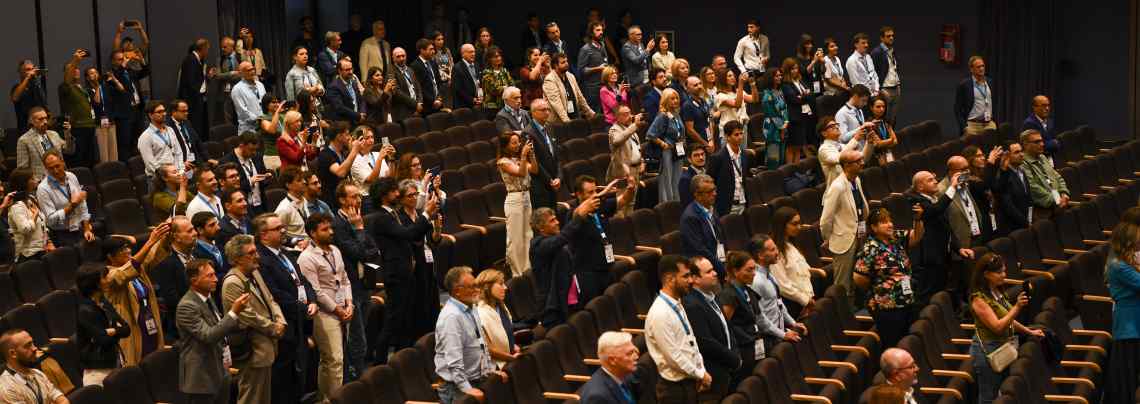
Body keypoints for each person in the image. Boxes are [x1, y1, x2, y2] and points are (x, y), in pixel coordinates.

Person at [251, 212, 316, 404]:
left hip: (299, 320)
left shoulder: (284, 253)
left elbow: (302, 280)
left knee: (299, 373)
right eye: (278, 228)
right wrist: (303, 308)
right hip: (284, 324)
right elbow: (275, 294)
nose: (283, 230)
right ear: (263, 235)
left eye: (282, 227)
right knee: (284, 377)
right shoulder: (261, 259)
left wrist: (312, 300)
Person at [372, 177, 439, 360]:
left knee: (405, 319)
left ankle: (403, 359)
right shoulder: (381, 218)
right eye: (394, 191)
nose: (397, 194)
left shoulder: (391, 214)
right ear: (384, 195)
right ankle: (380, 363)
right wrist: (426, 214)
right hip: (396, 275)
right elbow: (409, 234)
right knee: (393, 321)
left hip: (406, 272)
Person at [968, 252, 1044, 404]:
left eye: (1004, 271)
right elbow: (998, 326)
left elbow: (1009, 320)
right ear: (987, 274)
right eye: (999, 272)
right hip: (988, 352)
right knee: (989, 397)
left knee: (1004, 392)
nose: (1004, 275)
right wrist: (1017, 307)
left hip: (1002, 346)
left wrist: (1029, 331)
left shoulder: (997, 291)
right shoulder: (978, 299)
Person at [221, 235, 286, 404]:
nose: (257, 255)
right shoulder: (232, 282)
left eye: (256, 251)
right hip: (252, 349)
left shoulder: (254, 272)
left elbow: (270, 299)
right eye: (251, 253)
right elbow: (247, 316)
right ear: (237, 259)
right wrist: (273, 328)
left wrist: (281, 321)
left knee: (263, 397)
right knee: (251, 398)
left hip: (266, 345)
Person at [296, 213, 352, 401]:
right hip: (324, 313)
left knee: (333, 359)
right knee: (334, 359)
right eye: (325, 229)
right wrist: (338, 309)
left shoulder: (335, 250)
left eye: (331, 228)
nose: (330, 232)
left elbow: (344, 279)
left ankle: (327, 397)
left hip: (343, 308)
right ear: (312, 233)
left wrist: (349, 303)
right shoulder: (306, 258)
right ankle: (333, 400)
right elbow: (315, 291)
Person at [853, 207, 925, 349]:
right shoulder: (870, 249)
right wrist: (880, 287)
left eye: (890, 221)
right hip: (887, 307)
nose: (890, 224)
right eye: (884, 222)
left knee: (908, 343)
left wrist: (918, 220)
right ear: (873, 227)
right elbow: (859, 278)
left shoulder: (894, 238)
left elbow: (916, 237)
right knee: (893, 345)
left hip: (906, 300)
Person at [176, 259, 247, 404]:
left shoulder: (207, 298)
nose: (216, 279)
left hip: (220, 370)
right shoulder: (187, 306)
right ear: (194, 280)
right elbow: (208, 336)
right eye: (210, 276)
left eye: (214, 274)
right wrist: (233, 312)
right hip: (201, 378)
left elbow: (219, 326)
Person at [646, 255, 710, 403]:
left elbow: (690, 341)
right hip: (673, 390)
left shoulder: (677, 303)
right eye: (686, 276)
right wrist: (700, 374)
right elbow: (674, 357)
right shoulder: (660, 313)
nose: (691, 280)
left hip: (689, 381)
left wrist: (700, 369)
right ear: (670, 279)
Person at [435, 266, 504, 403]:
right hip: (456, 388)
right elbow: (454, 361)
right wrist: (466, 388)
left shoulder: (470, 307)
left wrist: (489, 370)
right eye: (472, 287)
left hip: (475, 379)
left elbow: (480, 344)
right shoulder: (451, 317)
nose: (477, 290)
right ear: (458, 291)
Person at [333, 181, 382, 372]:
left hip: (364, 282)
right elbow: (357, 253)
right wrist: (359, 230)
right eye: (353, 196)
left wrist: (360, 230)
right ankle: (358, 373)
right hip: (349, 285)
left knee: (364, 327)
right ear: (342, 200)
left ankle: (359, 367)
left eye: (359, 196)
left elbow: (374, 250)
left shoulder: (358, 218)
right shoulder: (338, 224)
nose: (358, 200)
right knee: (356, 333)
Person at [563, 175, 637, 301]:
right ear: (578, 194)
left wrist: (630, 189)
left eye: (596, 191)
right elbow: (578, 214)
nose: (595, 195)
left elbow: (624, 200)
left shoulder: (599, 206)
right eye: (590, 192)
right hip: (588, 273)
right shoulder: (573, 214)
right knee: (595, 306)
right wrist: (600, 195)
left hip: (607, 266)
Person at [102, 226, 168, 366]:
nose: (128, 251)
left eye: (127, 248)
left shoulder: (134, 267)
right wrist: (150, 242)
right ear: (110, 257)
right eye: (122, 250)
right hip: (132, 329)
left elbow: (150, 257)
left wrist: (165, 237)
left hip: (148, 321)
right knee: (138, 366)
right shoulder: (107, 276)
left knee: (154, 362)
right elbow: (124, 273)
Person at [680, 256, 738, 401]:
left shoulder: (713, 296)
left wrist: (735, 353)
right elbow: (706, 342)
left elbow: (727, 328)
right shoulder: (692, 305)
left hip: (726, 369)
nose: (715, 273)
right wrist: (733, 358)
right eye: (709, 271)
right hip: (712, 374)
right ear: (695, 278)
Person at [908, 170, 969, 305]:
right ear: (920, 187)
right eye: (930, 180)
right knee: (927, 297)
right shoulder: (916, 201)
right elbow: (936, 210)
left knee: (940, 294)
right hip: (929, 259)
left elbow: (946, 228)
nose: (935, 181)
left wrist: (959, 249)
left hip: (942, 256)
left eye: (934, 178)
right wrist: (952, 187)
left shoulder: (933, 199)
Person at [820, 150, 869, 307]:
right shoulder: (837, 186)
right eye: (858, 161)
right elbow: (826, 219)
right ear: (847, 165)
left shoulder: (856, 180)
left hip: (859, 236)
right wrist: (829, 238)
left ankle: (852, 312)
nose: (862, 163)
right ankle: (842, 317)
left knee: (856, 280)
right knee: (843, 285)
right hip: (844, 241)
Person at [748, 235, 808, 348]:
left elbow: (778, 304)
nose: (777, 252)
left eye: (776, 248)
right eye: (772, 250)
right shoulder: (756, 281)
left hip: (778, 334)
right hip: (769, 339)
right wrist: (783, 334)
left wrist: (793, 322)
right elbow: (760, 319)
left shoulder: (769, 274)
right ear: (760, 255)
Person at [75, 264, 130, 386]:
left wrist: (112, 331)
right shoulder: (86, 310)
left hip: (113, 362)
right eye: (104, 277)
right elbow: (103, 339)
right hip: (97, 372)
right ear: (95, 283)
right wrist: (115, 331)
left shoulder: (104, 303)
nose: (108, 280)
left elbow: (127, 329)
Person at [1104, 216, 1140, 403]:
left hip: (1134, 323)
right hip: (1129, 327)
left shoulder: (1126, 262)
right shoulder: (1118, 266)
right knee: (1129, 378)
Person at [150, 216, 201, 339]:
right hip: (186, 328)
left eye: (193, 229)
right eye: (189, 231)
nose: (195, 233)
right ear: (176, 237)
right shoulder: (166, 265)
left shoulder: (198, 254)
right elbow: (173, 301)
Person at [498, 132, 537, 277]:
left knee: (528, 234)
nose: (518, 145)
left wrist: (531, 155)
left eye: (518, 142)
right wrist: (523, 156)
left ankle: (528, 269)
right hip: (514, 199)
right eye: (513, 143)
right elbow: (520, 174)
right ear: (505, 146)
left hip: (526, 196)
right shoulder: (503, 162)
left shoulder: (518, 158)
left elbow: (534, 170)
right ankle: (517, 273)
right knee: (516, 238)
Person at [529, 207, 577, 326]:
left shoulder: (553, 240)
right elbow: (561, 239)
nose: (557, 222)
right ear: (541, 228)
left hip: (567, 300)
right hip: (552, 307)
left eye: (556, 219)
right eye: (552, 221)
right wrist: (578, 217)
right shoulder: (538, 245)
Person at [37, 151, 94, 247]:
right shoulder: (43, 189)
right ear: (46, 168)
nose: (55, 171)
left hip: (79, 228)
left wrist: (86, 228)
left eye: (57, 166)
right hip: (62, 235)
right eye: (51, 168)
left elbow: (82, 204)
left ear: (62, 162)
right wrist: (72, 205)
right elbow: (51, 220)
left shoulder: (71, 176)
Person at [768, 207, 816, 318]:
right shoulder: (776, 251)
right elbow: (782, 285)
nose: (799, 227)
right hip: (792, 306)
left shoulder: (791, 244)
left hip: (805, 301)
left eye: (799, 223)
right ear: (782, 225)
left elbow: (801, 272)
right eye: (794, 224)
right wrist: (805, 300)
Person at [0, 329, 68, 404]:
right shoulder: (7, 389)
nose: (34, 348)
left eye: (32, 343)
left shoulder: (37, 373)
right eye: (27, 346)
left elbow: (62, 400)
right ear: (13, 353)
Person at [679, 174, 727, 278]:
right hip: (703, 271)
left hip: (718, 260)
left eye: (714, 190)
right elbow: (700, 250)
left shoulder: (711, 209)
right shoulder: (690, 217)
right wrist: (723, 269)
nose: (715, 194)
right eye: (710, 192)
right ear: (697, 195)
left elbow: (719, 238)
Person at [106, 49, 150, 159]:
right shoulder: (111, 74)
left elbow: (145, 72)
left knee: (139, 138)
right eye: (120, 59)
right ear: (113, 61)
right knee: (125, 141)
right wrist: (123, 66)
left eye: (124, 59)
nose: (123, 61)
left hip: (137, 109)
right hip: (124, 113)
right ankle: (126, 166)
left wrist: (142, 60)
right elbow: (117, 81)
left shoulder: (128, 71)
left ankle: (138, 163)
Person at [59, 49, 98, 167]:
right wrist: (75, 61)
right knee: (80, 160)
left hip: (90, 125)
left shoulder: (83, 87)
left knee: (92, 159)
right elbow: (67, 80)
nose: (75, 70)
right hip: (77, 127)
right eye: (72, 69)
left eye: (77, 68)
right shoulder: (65, 87)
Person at [1019, 129, 1069, 220]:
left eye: (1042, 141)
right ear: (1025, 144)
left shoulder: (1042, 157)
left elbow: (1057, 177)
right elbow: (1032, 187)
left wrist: (1064, 193)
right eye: (1037, 142)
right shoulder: (1022, 163)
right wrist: (1057, 199)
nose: (1042, 144)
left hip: (1057, 204)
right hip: (1041, 211)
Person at [578, 331, 641, 403]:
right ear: (612, 360)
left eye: (634, 351)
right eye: (630, 353)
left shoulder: (625, 374)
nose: (636, 356)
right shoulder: (597, 397)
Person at [474, 269, 519, 368]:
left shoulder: (501, 306)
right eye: (501, 284)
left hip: (509, 358)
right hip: (496, 365)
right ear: (487, 287)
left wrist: (513, 346)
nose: (505, 287)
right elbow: (488, 349)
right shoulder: (480, 314)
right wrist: (511, 358)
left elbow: (505, 335)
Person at [648, 88, 685, 203]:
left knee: (677, 179)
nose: (675, 101)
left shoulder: (676, 114)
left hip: (678, 150)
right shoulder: (662, 116)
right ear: (665, 100)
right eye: (672, 99)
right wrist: (663, 144)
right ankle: (667, 204)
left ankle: (676, 202)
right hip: (667, 152)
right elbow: (650, 134)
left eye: (676, 98)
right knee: (667, 180)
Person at [316, 122, 364, 209]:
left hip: (345, 197)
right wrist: (354, 150)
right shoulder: (325, 154)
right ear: (339, 136)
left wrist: (352, 150)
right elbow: (340, 172)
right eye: (347, 135)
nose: (349, 137)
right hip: (332, 201)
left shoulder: (342, 153)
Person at [606, 105, 644, 216]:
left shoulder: (631, 129)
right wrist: (634, 126)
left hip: (635, 170)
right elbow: (618, 140)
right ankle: (621, 228)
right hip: (623, 173)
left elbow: (637, 147)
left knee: (632, 202)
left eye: (630, 112)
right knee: (621, 204)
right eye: (625, 114)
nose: (630, 116)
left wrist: (642, 161)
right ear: (617, 117)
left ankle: (629, 228)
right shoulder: (614, 130)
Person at [707, 121, 750, 216]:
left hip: (743, 203)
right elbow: (710, 182)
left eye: (741, 133)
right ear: (727, 137)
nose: (740, 137)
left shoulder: (744, 155)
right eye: (736, 134)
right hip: (726, 206)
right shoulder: (718, 157)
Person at [525, 99, 562, 210]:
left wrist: (559, 177)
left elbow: (557, 157)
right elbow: (534, 161)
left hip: (554, 184)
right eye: (543, 110)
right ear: (534, 112)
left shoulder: (550, 127)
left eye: (548, 109)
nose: (547, 112)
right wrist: (550, 180)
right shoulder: (528, 133)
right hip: (540, 186)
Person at [220, 131, 269, 214]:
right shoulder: (226, 161)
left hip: (260, 205)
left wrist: (266, 177)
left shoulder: (257, 156)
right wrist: (250, 182)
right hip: (243, 208)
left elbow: (262, 177)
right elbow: (229, 189)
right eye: (251, 149)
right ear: (241, 145)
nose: (254, 152)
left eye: (255, 149)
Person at [9, 169, 52, 262]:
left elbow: (42, 223)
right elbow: (25, 229)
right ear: (24, 183)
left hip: (42, 250)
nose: (36, 180)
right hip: (27, 256)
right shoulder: (17, 206)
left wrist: (49, 242)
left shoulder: (31, 199)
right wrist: (35, 215)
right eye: (32, 179)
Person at [348, 126, 394, 214]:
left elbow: (390, 176)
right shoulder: (354, 160)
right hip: (368, 199)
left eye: (372, 137)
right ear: (358, 141)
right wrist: (380, 159)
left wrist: (391, 159)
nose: (371, 140)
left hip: (383, 195)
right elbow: (371, 180)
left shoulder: (377, 154)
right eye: (367, 138)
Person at [138, 100, 186, 182]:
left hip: (176, 175)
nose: (164, 114)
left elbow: (178, 152)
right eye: (159, 112)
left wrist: (181, 170)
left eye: (164, 111)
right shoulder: (145, 137)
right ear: (150, 115)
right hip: (158, 179)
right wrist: (167, 176)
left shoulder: (170, 130)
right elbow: (150, 164)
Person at [16, 107, 66, 182]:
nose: (45, 121)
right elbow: (22, 169)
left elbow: (70, 151)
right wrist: (35, 182)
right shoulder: (24, 140)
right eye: (41, 119)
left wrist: (67, 134)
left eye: (46, 118)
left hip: (60, 176)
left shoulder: (54, 134)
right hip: (41, 181)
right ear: (31, 121)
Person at [781, 58, 816, 164]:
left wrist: (804, 96)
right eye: (792, 69)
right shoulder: (786, 84)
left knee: (798, 146)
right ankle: (790, 169)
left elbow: (810, 93)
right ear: (787, 70)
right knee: (792, 146)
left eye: (796, 68)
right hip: (794, 118)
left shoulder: (799, 80)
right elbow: (794, 100)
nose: (795, 71)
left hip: (803, 115)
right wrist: (804, 96)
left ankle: (796, 168)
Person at [544, 52, 595, 123]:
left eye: (566, 61)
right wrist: (567, 122)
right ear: (556, 65)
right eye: (563, 62)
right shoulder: (550, 79)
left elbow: (580, 97)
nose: (566, 64)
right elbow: (556, 103)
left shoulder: (570, 76)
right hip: (559, 122)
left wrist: (590, 112)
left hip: (574, 116)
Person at [176, 39, 212, 139]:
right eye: (207, 49)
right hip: (193, 102)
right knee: (196, 128)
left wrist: (207, 77)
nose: (207, 52)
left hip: (199, 100)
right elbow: (190, 83)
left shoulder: (197, 60)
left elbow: (198, 80)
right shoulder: (191, 60)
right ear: (203, 49)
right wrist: (199, 96)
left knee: (202, 127)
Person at [994, 141, 1031, 236]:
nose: (1021, 154)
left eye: (1021, 151)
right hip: (1012, 227)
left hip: (1024, 221)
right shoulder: (1002, 176)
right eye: (1016, 152)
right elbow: (1008, 206)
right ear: (1007, 156)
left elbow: (1027, 197)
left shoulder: (1022, 171)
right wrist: (1025, 222)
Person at [817, 116, 863, 190]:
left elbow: (863, 158)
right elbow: (839, 158)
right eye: (832, 126)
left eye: (837, 125)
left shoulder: (842, 146)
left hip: (852, 185)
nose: (837, 127)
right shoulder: (823, 149)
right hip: (838, 190)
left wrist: (870, 143)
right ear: (824, 133)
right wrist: (855, 139)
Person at [713, 70, 756, 148]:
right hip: (729, 131)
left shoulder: (738, 91)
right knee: (729, 157)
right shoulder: (720, 96)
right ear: (723, 79)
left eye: (733, 75)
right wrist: (741, 84)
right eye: (729, 76)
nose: (733, 78)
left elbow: (754, 99)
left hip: (742, 128)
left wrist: (752, 84)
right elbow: (737, 104)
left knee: (741, 155)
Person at [83, 66, 118, 163]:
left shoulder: (105, 87)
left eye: (96, 73)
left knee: (113, 150)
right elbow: (97, 102)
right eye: (91, 73)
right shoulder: (87, 90)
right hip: (99, 123)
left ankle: (115, 169)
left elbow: (121, 90)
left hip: (110, 121)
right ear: (87, 77)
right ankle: (105, 172)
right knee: (103, 152)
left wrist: (113, 79)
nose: (95, 75)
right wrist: (98, 86)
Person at [955, 56, 995, 136]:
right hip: (972, 125)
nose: (981, 69)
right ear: (971, 69)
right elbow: (957, 108)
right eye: (978, 67)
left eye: (983, 66)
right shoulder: (965, 85)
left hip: (988, 124)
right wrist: (964, 127)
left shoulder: (989, 82)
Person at [870, 27, 901, 124]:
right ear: (882, 38)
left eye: (892, 36)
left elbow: (893, 68)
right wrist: (880, 89)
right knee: (884, 118)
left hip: (896, 87)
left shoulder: (892, 50)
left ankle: (892, 138)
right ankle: (883, 138)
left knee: (893, 118)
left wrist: (898, 85)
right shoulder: (877, 52)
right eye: (888, 36)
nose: (891, 38)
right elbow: (872, 72)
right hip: (885, 89)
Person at [759, 69, 789, 169]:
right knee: (773, 157)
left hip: (783, 126)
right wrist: (781, 128)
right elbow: (771, 114)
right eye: (776, 76)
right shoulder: (767, 95)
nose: (779, 77)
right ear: (770, 78)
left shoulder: (779, 91)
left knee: (781, 157)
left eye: (780, 75)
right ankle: (771, 178)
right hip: (772, 128)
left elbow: (784, 109)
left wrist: (786, 122)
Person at [169, 99, 212, 168]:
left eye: (187, 111)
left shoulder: (187, 122)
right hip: (181, 163)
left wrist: (208, 158)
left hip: (194, 160)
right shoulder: (168, 126)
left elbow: (198, 141)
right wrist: (180, 163)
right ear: (174, 112)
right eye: (183, 111)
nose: (186, 113)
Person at [578, 21, 609, 114]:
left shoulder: (602, 45)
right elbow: (581, 70)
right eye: (598, 30)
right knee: (595, 116)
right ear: (591, 33)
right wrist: (598, 68)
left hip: (604, 85)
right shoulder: (585, 49)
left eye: (602, 30)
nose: (601, 32)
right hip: (592, 89)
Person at [10, 59, 48, 133]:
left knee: (45, 144)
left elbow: (44, 104)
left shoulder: (37, 86)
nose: (31, 72)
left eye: (32, 69)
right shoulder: (16, 87)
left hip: (42, 128)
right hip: (25, 129)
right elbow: (15, 98)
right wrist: (28, 77)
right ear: (20, 72)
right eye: (28, 69)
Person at [326, 58, 366, 125]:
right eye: (347, 70)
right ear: (339, 71)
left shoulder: (354, 82)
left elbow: (361, 99)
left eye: (351, 69)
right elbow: (340, 107)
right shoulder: (333, 87)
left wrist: (362, 113)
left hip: (359, 120)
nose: (350, 72)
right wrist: (358, 116)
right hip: (345, 123)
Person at [836, 84, 876, 150]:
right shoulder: (841, 113)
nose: (865, 104)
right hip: (851, 153)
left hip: (862, 149)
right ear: (855, 96)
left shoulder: (859, 110)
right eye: (863, 100)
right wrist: (861, 127)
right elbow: (842, 138)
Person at [411, 38, 444, 115]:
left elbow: (438, 82)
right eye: (431, 49)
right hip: (427, 107)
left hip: (439, 103)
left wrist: (439, 98)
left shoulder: (433, 63)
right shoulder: (415, 66)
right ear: (422, 50)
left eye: (433, 49)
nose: (434, 51)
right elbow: (419, 87)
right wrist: (433, 101)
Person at [681, 76, 713, 152]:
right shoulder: (687, 105)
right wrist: (705, 144)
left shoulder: (703, 101)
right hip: (696, 145)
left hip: (708, 141)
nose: (699, 87)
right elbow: (690, 130)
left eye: (700, 84)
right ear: (687, 89)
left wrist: (711, 140)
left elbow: (709, 121)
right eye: (695, 85)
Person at [480, 47, 513, 119]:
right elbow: (495, 90)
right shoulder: (486, 73)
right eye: (495, 57)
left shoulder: (504, 70)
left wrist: (506, 88)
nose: (499, 58)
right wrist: (506, 87)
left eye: (499, 56)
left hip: (505, 104)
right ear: (489, 59)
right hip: (492, 107)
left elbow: (512, 85)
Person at [866, 96, 899, 166]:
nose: (882, 109)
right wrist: (891, 140)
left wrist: (888, 141)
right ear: (871, 108)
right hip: (875, 157)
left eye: (883, 107)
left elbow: (895, 141)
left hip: (888, 153)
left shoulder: (886, 121)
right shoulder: (869, 123)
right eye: (878, 107)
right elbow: (878, 144)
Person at [191, 212, 226, 276]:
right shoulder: (196, 254)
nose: (218, 228)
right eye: (212, 225)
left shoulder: (219, 244)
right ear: (200, 230)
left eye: (217, 224)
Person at [678, 145, 708, 209]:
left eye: (702, 154)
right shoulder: (686, 179)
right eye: (696, 155)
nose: (701, 157)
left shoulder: (708, 173)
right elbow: (688, 205)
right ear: (689, 159)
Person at [455, 44, 483, 110]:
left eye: (474, 52)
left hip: (478, 102)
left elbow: (479, 83)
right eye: (470, 52)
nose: (473, 54)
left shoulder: (477, 65)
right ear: (463, 54)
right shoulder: (457, 68)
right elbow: (458, 89)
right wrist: (472, 100)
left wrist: (480, 96)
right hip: (464, 106)